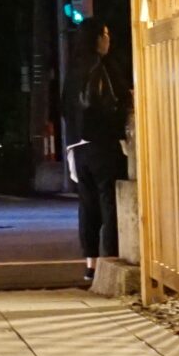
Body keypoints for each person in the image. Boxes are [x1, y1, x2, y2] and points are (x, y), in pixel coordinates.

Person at [62, 21, 130, 286]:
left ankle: (89, 266)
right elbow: (106, 104)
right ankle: (109, 262)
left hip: (77, 149)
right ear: (97, 38)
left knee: (87, 207)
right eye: (106, 34)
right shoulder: (100, 67)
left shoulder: (73, 70)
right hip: (101, 144)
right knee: (109, 203)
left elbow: (68, 108)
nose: (108, 40)